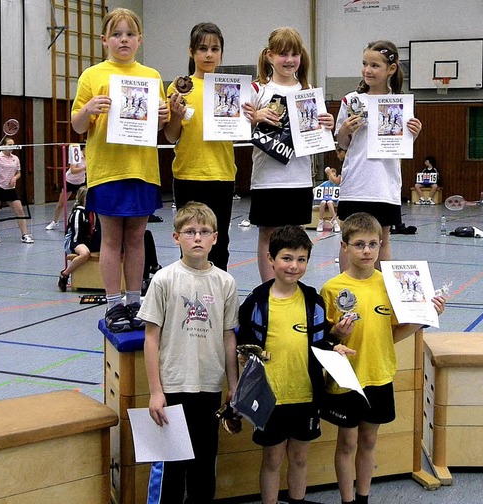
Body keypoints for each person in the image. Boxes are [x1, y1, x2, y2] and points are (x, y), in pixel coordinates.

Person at [319, 212, 446, 504]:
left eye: (373, 244)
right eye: (359, 244)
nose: (366, 251)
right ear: (344, 246)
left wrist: (427, 316)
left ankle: (363, 497)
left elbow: (394, 333)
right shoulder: (331, 289)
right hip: (346, 378)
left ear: (381, 245)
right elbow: (324, 341)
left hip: (379, 374)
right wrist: (337, 332)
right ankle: (347, 499)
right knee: (347, 442)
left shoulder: (390, 284)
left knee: (369, 440)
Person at [238, 225, 354, 504]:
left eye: (301, 259)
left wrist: (334, 345)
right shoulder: (256, 302)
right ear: (271, 259)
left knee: (300, 457)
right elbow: (242, 345)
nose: (294, 266)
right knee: (272, 459)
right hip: (269, 399)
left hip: (305, 396)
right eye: (287, 258)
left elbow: (321, 341)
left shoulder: (313, 301)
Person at [71, 8, 168, 332]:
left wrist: (164, 116)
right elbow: (77, 125)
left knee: (137, 238)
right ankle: (114, 304)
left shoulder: (151, 76)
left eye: (129, 34)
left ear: (139, 39)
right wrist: (88, 109)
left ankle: (135, 301)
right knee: (111, 240)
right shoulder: (92, 76)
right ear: (104, 40)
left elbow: (155, 127)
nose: (123, 39)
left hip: (142, 169)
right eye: (116, 34)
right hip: (107, 170)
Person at [139, 202, 239, 503]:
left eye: (204, 232)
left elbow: (228, 337)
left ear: (215, 238)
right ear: (175, 237)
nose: (197, 237)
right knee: (172, 471)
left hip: (208, 388)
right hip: (173, 387)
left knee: (203, 469)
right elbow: (151, 338)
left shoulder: (225, 282)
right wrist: (156, 391)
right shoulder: (164, 280)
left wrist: (233, 385)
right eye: (190, 232)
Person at [242, 27, 335, 282]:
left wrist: (327, 123)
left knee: (294, 238)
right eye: (283, 54)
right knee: (268, 235)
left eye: (294, 54)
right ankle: (267, 289)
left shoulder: (309, 91)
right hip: (266, 179)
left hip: (299, 179)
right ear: (270, 56)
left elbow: (318, 136)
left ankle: (291, 289)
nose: (289, 60)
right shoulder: (257, 89)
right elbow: (237, 128)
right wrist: (255, 118)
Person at [334, 41, 422, 272]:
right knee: (348, 239)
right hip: (355, 182)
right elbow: (342, 145)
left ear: (391, 69)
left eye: (375, 65)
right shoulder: (350, 100)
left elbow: (401, 147)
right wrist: (344, 131)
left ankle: (382, 292)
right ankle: (346, 292)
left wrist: (414, 133)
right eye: (365, 64)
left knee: (381, 238)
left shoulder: (400, 104)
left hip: (385, 184)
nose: (368, 70)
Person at [165, 22, 236, 271]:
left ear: (221, 53)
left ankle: (219, 301)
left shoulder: (232, 90)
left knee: (219, 242)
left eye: (215, 49)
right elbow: (171, 136)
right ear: (191, 51)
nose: (208, 54)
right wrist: (174, 115)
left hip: (222, 175)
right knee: (189, 242)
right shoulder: (178, 88)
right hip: (187, 175)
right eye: (203, 48)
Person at [0, 137, 34, 244]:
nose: (12, 146)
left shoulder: (15, 158)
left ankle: (25, 235)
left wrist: (14, 178)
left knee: (20, 211)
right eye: (10, 145)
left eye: (13, 144)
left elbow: (19, 172)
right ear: (3, 146)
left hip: (10, 189)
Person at [58, 186, 101, 292]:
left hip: (88, 241)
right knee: (85, 253)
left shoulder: (94, 212)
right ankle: (65, 274)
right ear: (83, 198)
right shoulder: (78, 213)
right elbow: (76, 235)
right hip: (75, 241)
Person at [46, 145, 87, 230]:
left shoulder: (89, 156)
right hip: (70, 181)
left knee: (83, 202)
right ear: (83, 149)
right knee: (61, 203)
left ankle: (81, 221)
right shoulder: (77, 155)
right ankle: (55, 221)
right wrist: (85, 168)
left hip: (81, 182)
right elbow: (73, 170)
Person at [317, 166, 342, 233]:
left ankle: (335, 221)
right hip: (325, 200)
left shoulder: (337, 184)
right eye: (331, 175)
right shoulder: (325, 183)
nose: (332, 177)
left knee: (329, 202)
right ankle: (320, 221)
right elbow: (316, 189)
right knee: (323, 202)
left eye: (334, 175)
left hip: (334, 201)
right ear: (328, 176)